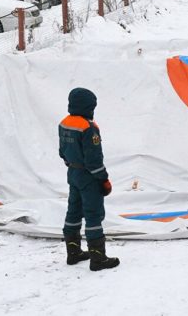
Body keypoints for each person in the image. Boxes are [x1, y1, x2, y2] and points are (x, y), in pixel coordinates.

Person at [58, 87, 119, 270]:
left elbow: (62, 152)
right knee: (93, 214)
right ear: (88, 106)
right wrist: (103, 180)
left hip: (73, 174)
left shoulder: (64, 123)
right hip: (88, 177)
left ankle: (73, 252)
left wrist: (72, 165)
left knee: (74, 212)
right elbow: (94, 160)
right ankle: (98, 258)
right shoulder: (88, 127)